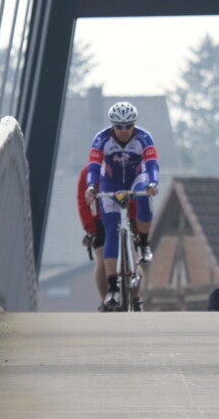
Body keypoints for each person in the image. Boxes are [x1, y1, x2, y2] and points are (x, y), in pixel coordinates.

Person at [83, 101, 160, 310]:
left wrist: (153, 182)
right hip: (111, 183)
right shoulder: (102, 139)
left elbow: (152, 164)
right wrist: (91, 186)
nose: (125, 131)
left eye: (129, 126)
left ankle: (143, 243)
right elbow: (93, 166)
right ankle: (113, 287)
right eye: (119, 126)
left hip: (136, 179)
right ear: (112, 126)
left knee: (144, 197)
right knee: (111, 231)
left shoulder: (144, 137)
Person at [77, 166, 143, 311]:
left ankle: (136, 299)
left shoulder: (128, 166)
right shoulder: (88, 172)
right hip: (99, 219)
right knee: (101, 258)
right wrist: (91, 229)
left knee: (134, 255)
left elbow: (137, 195)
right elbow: (83, 202)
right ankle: (105, 301)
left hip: (126, 214)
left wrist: (135, 221)